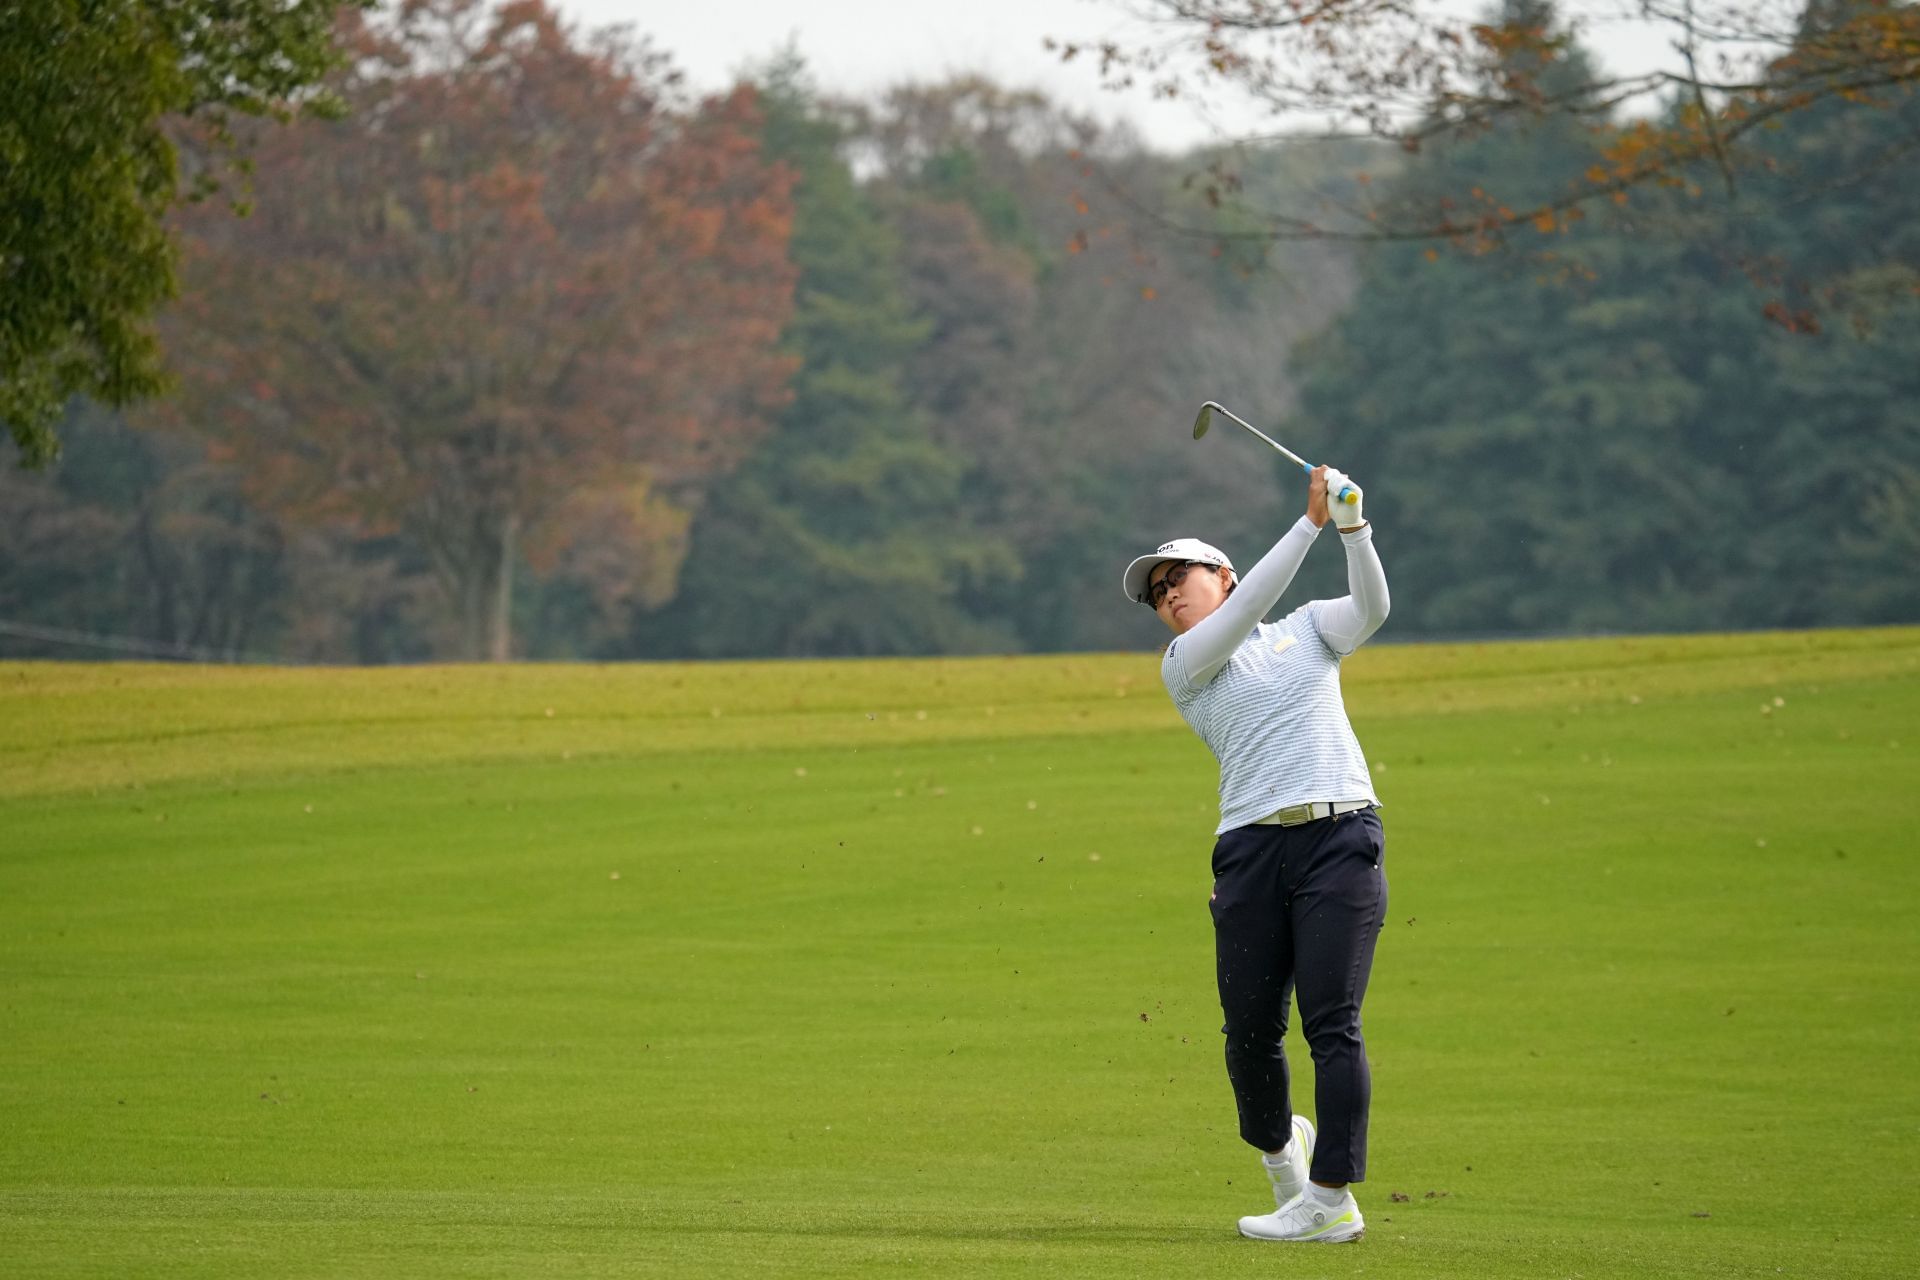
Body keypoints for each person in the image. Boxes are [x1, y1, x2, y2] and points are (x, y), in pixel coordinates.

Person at [1121, 463, 1390, 1244]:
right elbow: (1245, 617)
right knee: (1248, 1033)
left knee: (1332, 1025)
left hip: (1339, 837)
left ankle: (1332, 1196)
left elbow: (1373, 608)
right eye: (1157, 591)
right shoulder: (1187, 664)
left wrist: (1352, 529)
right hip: (1248, 851)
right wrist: (1308, 523)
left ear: (1225, 575)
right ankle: (1286, 1174)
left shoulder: (1308, 628)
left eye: (1181, 578)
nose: (1167, 594)